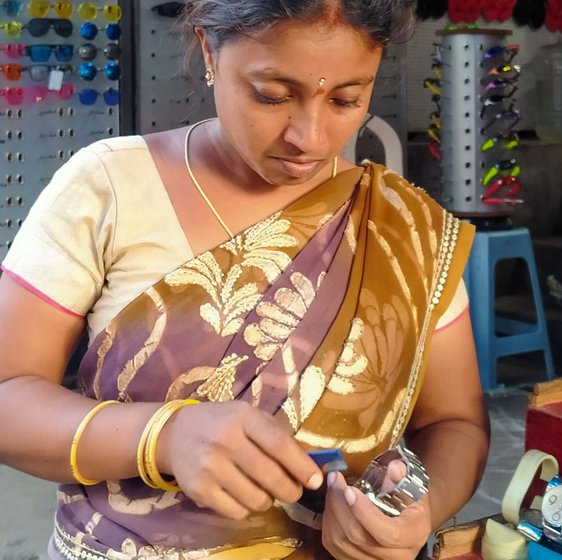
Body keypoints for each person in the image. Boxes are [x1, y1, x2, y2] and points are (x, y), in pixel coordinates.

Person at [0, 1, 489, 558]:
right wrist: (162, 435)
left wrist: (413, 511)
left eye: (346, 99)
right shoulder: (109, 186)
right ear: (209, 50)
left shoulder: (402, 230)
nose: (309, 136)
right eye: (272, 95)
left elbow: (456, 423)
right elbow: (7, 395)